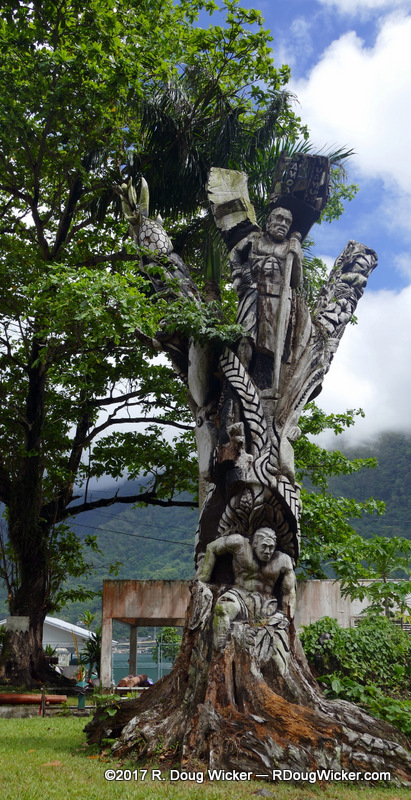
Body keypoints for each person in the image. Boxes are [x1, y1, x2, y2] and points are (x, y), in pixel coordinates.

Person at [196, 527, 296, 648]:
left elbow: (288, 593)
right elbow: (211, 547)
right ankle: (220, 650)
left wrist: (287, 617)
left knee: (278, 641)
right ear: (255, 544)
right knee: (222, 608)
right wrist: (204, 576)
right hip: (240, 595)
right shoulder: (239, 544)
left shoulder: (283, 560)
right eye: (264, 546)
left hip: (267, 604)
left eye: (271, 547)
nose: (267, 551)